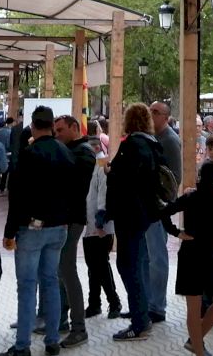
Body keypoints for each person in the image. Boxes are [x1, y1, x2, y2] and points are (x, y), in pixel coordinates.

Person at [2, 107, 74, 356]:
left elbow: (17, 197)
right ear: (52, 126)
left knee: (27, 286)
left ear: (33, 126)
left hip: (32, 228)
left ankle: (22, 345)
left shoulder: (29, 154)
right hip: (59, 227)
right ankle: (52, 340)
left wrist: (9, 232)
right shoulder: (65, 152)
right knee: (51, 282)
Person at [103, 104, 166, 341]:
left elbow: (124, 179)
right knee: (137, 263)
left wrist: (111, 172)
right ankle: (142, 315)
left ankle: (139, 322)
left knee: (129, 266)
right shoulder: (153, 144)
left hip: (128, 213)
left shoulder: (132, 145)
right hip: (143, 213)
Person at [159, 162, 213, 356]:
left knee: (194, 307)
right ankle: (196, 343)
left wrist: (176, 232)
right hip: (209, 256)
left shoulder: (191, 197)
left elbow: (164, 212)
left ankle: (196, 345)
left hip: (189, 254)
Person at [51, 115, 94, 347]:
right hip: (65, 218)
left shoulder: (83, 152)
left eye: (60, 130)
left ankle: (79, 327)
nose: (57, 134)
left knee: (67, 270)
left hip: (72, 219)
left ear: (74, 128)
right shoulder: (72, 150)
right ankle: (62, 319)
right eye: (55, 130)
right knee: (62, 270)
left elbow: (74, 184)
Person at [147, 101, 182, 324]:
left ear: (166, 117)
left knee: (157, 257)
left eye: (156, 112)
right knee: (149, 257)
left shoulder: (169, 140)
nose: (151, 115)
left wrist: (162, 202)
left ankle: (157, 306)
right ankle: (148, 302)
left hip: (159, 207)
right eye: (150, 111)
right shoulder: (154, 137)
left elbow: (174, 178)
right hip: (150, 206)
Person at [82, 137, 122, 320]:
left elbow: (103, 197)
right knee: (93, 266)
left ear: (97, 148)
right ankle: (94, 303)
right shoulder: (91, 166)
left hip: (101, 226)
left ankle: (114, 302)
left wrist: (99, 222)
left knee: (101, 265)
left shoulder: (102, 166)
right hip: (91, 225)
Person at [0, 117, 15, 194]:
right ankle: (4, 188)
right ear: (12, 123)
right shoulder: (10, 132)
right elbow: (8, 144)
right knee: (6, 172)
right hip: (7, 154)